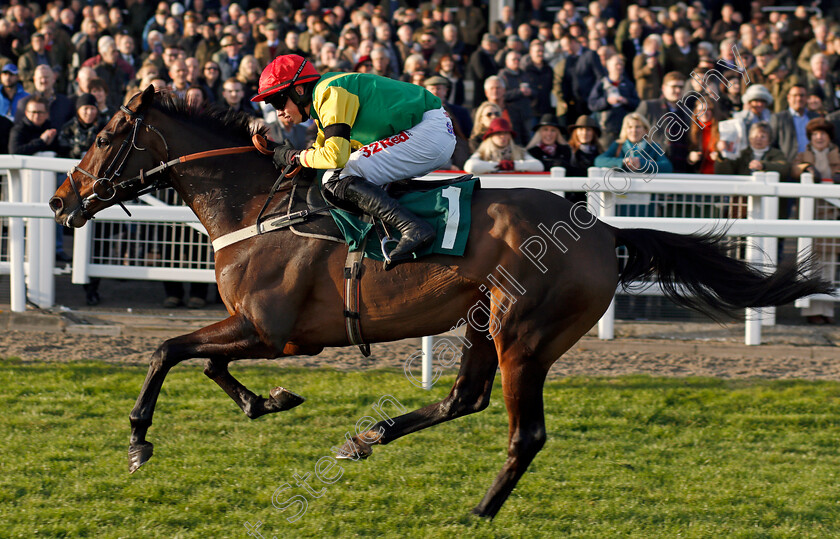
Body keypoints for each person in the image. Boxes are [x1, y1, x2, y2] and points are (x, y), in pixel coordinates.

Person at [252, 55, 456, 263]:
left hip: (428, 132)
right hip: (427, 130)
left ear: (299, 90)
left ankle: (413, 227)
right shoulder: (324, 98)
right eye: (272, 105)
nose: (278, 113)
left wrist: (294, 156)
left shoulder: (328, 92)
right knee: (333, 174)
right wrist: (295, 159)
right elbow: (320, 152)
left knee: (335, 177)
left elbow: (334, 157)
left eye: (278, 101)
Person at [58, 94, 108, 305]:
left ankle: (93, 289)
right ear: (78, 110)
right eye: (85, 108)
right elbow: (60, 151)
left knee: (99, 245)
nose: (89, 112)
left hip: (98, 192)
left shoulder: (105, 131)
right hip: (73, 192)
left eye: (92, 108)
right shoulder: (67, 129)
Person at [791, 117, 840, 324]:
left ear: (829, 137)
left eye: (823, 133)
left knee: (829, 264)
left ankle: (826, 310)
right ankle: (811, 311)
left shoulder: (838, 154)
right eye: (815, 134)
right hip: (811, 214)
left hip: (832, 215)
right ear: (810, 137)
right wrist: (805, 168)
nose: (819, 137)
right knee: (810, 263)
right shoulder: (803, 154)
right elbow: (792, 169)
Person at [594, 112, 673, 173]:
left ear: (645, 130)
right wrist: (623, 162)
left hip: (647, 189)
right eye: (630, 127)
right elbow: (599, 160)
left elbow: (667, 167)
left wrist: (642, 164)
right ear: (625, 130)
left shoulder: (653, 146)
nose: (634, 131)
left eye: (637, 127)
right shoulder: (618, 145)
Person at [463, 117, 543, 174]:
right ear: (491, 136)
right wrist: (498, 165)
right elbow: (470, 166)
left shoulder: (519, 151)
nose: (503, 136)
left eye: (505, 133)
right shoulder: (482, 152)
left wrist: (513, 165)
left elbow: (538, 166)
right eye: (498, 133)